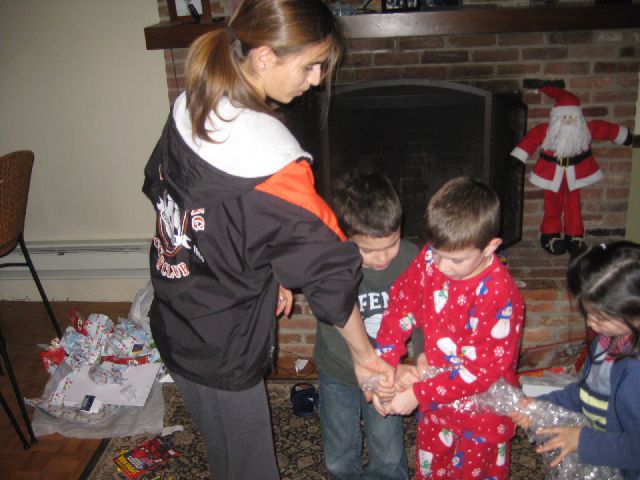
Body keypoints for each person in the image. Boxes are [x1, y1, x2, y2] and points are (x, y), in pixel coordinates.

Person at [141, 2, 394, 479]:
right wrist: (365, 358)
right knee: (250, 467)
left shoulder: (192, 103)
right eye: (311, 65)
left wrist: (271, 269)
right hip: (225, 341)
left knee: (224, 455)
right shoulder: (275, 167)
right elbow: (330, 273)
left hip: (174, 317)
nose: (316, 80)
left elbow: (170, 194)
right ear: (263, 58)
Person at [373, 176, 525, 480]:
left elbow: (481, 370)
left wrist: (418, 394)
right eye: (436, 252)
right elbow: (401, 304)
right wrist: (384, 366)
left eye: (455, 260)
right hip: (437, 409)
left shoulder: (500, 295)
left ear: (490, 247)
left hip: (481, 419)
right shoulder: (433, 258)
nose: (441, 266)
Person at [314, 171, 421, 480]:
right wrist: (370, 369)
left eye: (392, 244)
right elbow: (333, 331)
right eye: (369, 251)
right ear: (345, 238)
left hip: (387, 373)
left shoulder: (411, 259)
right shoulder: (331, 264)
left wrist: (421, 360)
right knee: (339, 451)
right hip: (338, 370)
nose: (383, 257)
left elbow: (423, 315)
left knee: (388, 452)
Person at [511, 241, 640, 480]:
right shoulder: (606, 342)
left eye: (600, 318)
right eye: (587, 314)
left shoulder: (635, 374)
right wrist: (540, 405)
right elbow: (584, 393)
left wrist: (582, 440)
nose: (590, 323)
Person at [510, 86, 632, 256]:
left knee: (573, 205)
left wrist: (623, 135)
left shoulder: (584, 131)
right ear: (556, 118)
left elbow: (604, 129)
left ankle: (574, 235)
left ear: (578, 117)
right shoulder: (546, 131)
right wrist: (518, 157)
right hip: (551, 175)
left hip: (576, 174)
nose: (568, 120)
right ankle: (550, 234)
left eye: (572, 116)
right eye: (564, 116)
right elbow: (530, 140)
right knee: (552, 204)